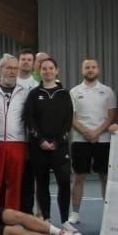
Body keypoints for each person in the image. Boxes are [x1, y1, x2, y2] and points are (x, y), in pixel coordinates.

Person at [24, 57, 73, 226]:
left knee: (64, 183)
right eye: (44, 68)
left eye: (51, 68)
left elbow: (68, 120)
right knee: (42, 183)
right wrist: (41, 140)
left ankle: (65, 220)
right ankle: (46, 219)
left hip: (60, 148)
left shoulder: (65, 94)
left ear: (56, 70)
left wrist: (57, 141)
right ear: (39, 72)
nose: (48, 71)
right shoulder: (33, 94)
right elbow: (29, 120)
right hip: (39, 148)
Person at [68, 57, 115, 228]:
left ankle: (108, 214)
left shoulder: (108, 91)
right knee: (79, 176)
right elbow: (71, 118)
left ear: (98, 69)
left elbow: (111, 116)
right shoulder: (74, 92)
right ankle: (75, 213)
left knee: (105, 176)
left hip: (103, 140)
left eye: (93, 67)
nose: (90, 70)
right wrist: (86, 132)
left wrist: (97, 132)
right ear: (82, 70)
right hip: (80, 140)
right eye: (87, 67)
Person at [0, 54, 30, 211]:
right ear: (0, 69)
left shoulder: (25, 92)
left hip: (17, 143)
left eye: (15, 68)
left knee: (15, 184)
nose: (12, 71)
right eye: (9, 68)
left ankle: (12, 218)